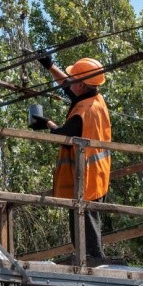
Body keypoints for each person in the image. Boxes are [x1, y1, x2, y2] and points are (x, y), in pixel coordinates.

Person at [29, 54, 111, 259]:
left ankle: (94, 259)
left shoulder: (84, 110)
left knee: (84, 217)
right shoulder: (94, 98)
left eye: (75, 80)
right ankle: (88, 257)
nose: (70, 82)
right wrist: (50, 66)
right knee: (83, 214)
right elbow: (67, 85)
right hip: (97, 169)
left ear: (82, 85)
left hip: (87, 171)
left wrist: (46, 122)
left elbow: (63, 134)